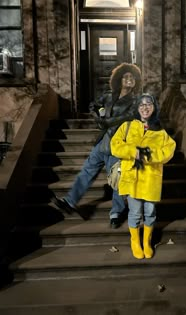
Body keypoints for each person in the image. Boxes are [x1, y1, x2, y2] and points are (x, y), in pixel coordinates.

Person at [52, 63, 142, 229]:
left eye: (133, 77)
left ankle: (116, 212)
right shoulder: (108, 96)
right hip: (103, 141)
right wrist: (99, 114)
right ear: (119, 79)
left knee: (115, 178)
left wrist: (105, 122)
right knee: (87, 170)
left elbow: (129, 117)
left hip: (119, 143)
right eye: (126, 76)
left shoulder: (136, 101)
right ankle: (70, 201)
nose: (130, 79)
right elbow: (93, 105)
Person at [110, 93, 176, 259]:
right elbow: (115, 146)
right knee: (135, 212)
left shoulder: (160, 131)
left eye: (149, 104)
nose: (145, 107)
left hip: (151, 179)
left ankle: (147, 242)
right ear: (137, 108)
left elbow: (169, 150)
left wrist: (149, 156)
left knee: (150, 212)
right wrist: (134, 152)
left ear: (154, 108)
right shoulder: (127, 126)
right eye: (141, 104)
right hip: (132, 178)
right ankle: (135, 242)